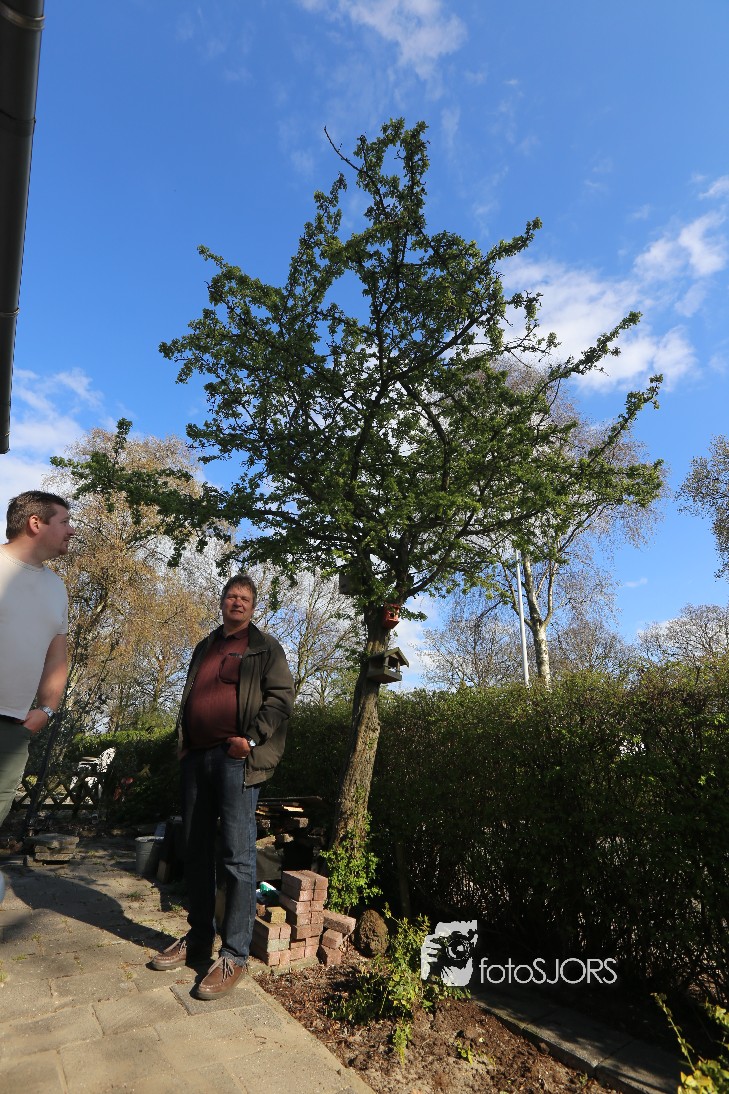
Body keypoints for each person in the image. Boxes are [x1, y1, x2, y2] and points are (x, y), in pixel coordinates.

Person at [151, 573, 294, 998]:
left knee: (237, 857)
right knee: (195, 851)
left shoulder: (265, 648)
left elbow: (281, 699)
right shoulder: (205, 646)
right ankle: (199, 939)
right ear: (222, 602)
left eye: (245, 597)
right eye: (231, 595)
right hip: (196, 759)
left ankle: (234, 955)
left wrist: (250, 740)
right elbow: (189, 696)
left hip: (235, 761)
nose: (237, 601)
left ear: (253, 606)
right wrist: (183, 741)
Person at [0, 491, 74, 826]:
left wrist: (46, 711)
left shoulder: (57, 589)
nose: (71, 530)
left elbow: (56, 658)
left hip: (14, 731)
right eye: (64, 522)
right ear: (35, 523)